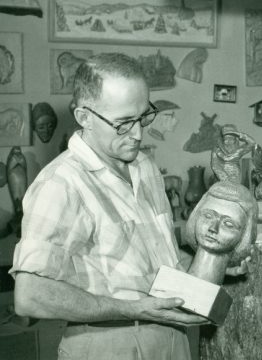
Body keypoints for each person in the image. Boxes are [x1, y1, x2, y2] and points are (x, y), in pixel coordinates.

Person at [9, 53, 243, 360]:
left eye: (143, 116)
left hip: (171, 338)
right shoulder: (60, 184)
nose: (137, 133)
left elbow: (152, 265)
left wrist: (212, 260)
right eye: (123, 123)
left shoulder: (143, 166)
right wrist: (135, 308)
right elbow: (29, 297)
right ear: (84, 117)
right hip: (107, 344)